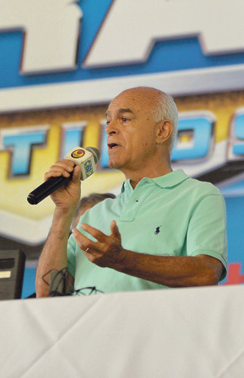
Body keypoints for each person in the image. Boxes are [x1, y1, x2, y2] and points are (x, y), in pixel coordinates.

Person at [35, 87, 228, 296]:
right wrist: (63, 212)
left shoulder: (198, 196)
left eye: (124, 119)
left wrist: (122, 259)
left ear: (161, 131)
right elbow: (48, 295)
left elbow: (206, 273)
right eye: (108, 121)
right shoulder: (94, 214)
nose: (109, 129)